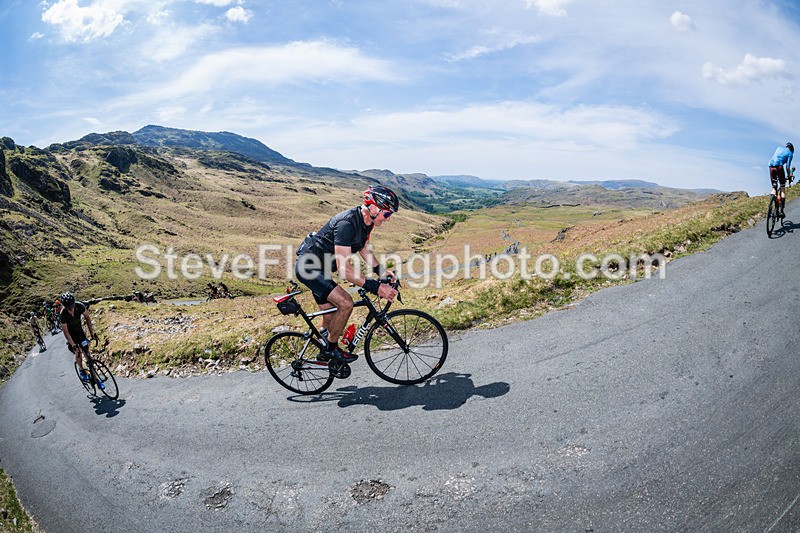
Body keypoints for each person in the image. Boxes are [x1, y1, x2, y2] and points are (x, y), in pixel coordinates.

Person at [294, 185, 399, 364]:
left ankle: (322, 349)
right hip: (309, 268)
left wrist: (381, 273)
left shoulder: (367, 223)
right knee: (345, 303)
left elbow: (364, 249)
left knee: (329, 315)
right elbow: (345, 270)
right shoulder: (346, 224)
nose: (387, 219)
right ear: (373, 208)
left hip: (322, 270)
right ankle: (332, 350)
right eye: (386, 214)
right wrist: (376, 287)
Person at [58, 292, 96, 381]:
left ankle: (95, 377)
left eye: (72, 306)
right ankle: (82, 370)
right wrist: (72, 344)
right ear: (65, 307)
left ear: (74, 303)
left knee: (87, 353)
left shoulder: (80, 306)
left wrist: (92, 334)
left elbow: (87, 318)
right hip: (71, 334)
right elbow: (66, 332)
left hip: (79, 331)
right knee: (78, 351)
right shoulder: (63, 314)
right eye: (68, 308)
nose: (71, 309)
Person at [769, 142, 794, 218]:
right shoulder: (790, 154)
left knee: (774, 187)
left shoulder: (779, 148)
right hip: (779, 167)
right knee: (782, 189)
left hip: (771, 166)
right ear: (792, 149)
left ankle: (771, 202)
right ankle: (781, 211)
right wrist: (789, 176)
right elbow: (787, 167)